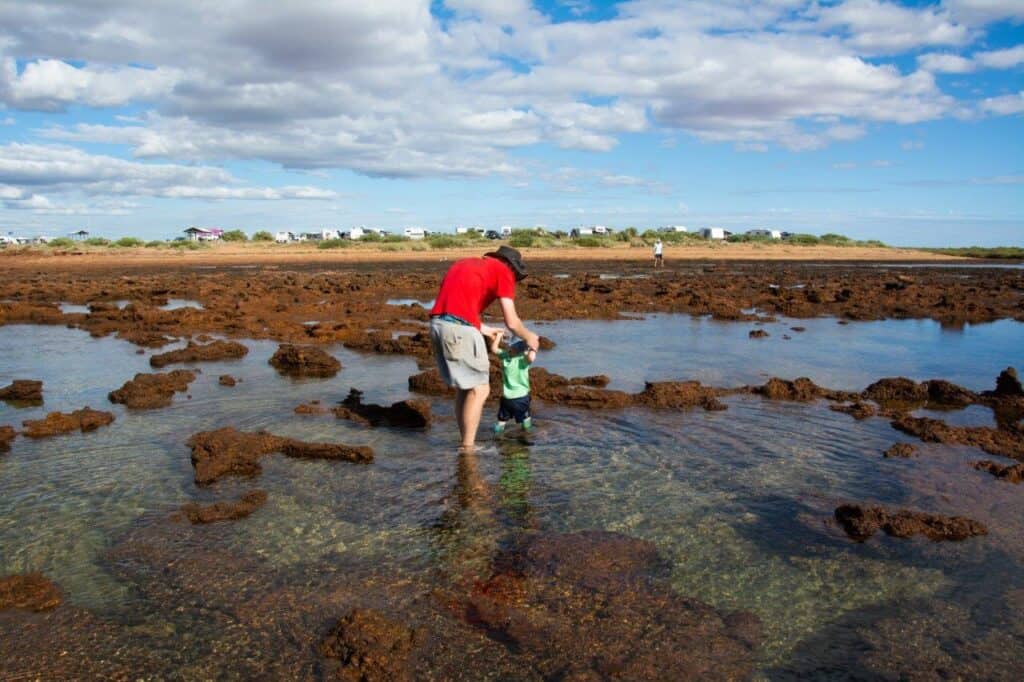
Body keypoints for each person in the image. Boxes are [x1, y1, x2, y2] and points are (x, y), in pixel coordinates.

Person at [428, 245, 540, 450]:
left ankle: (465, 443)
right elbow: (512, 322)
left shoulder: (465, 264)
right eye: (516, 276)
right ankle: (468, 449)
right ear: (511, 267)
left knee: (466, 388)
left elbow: (453, 303)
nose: (513, 280)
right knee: (481, 389)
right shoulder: (503, 272)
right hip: (459, 329)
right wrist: (530, 337)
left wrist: (483, 328)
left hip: (438, 325)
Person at [489, 332, 536, 434]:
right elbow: (531, 358)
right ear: (524, 349)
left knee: (501, 421)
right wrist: (534, 347)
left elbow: (494, 349)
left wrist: (498, 336)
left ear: (510, 347)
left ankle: (497, 436)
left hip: (507, 399)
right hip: (521, 398)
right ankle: (527, 435)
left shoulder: (505, 357)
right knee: (526, 418)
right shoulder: (523, 360)